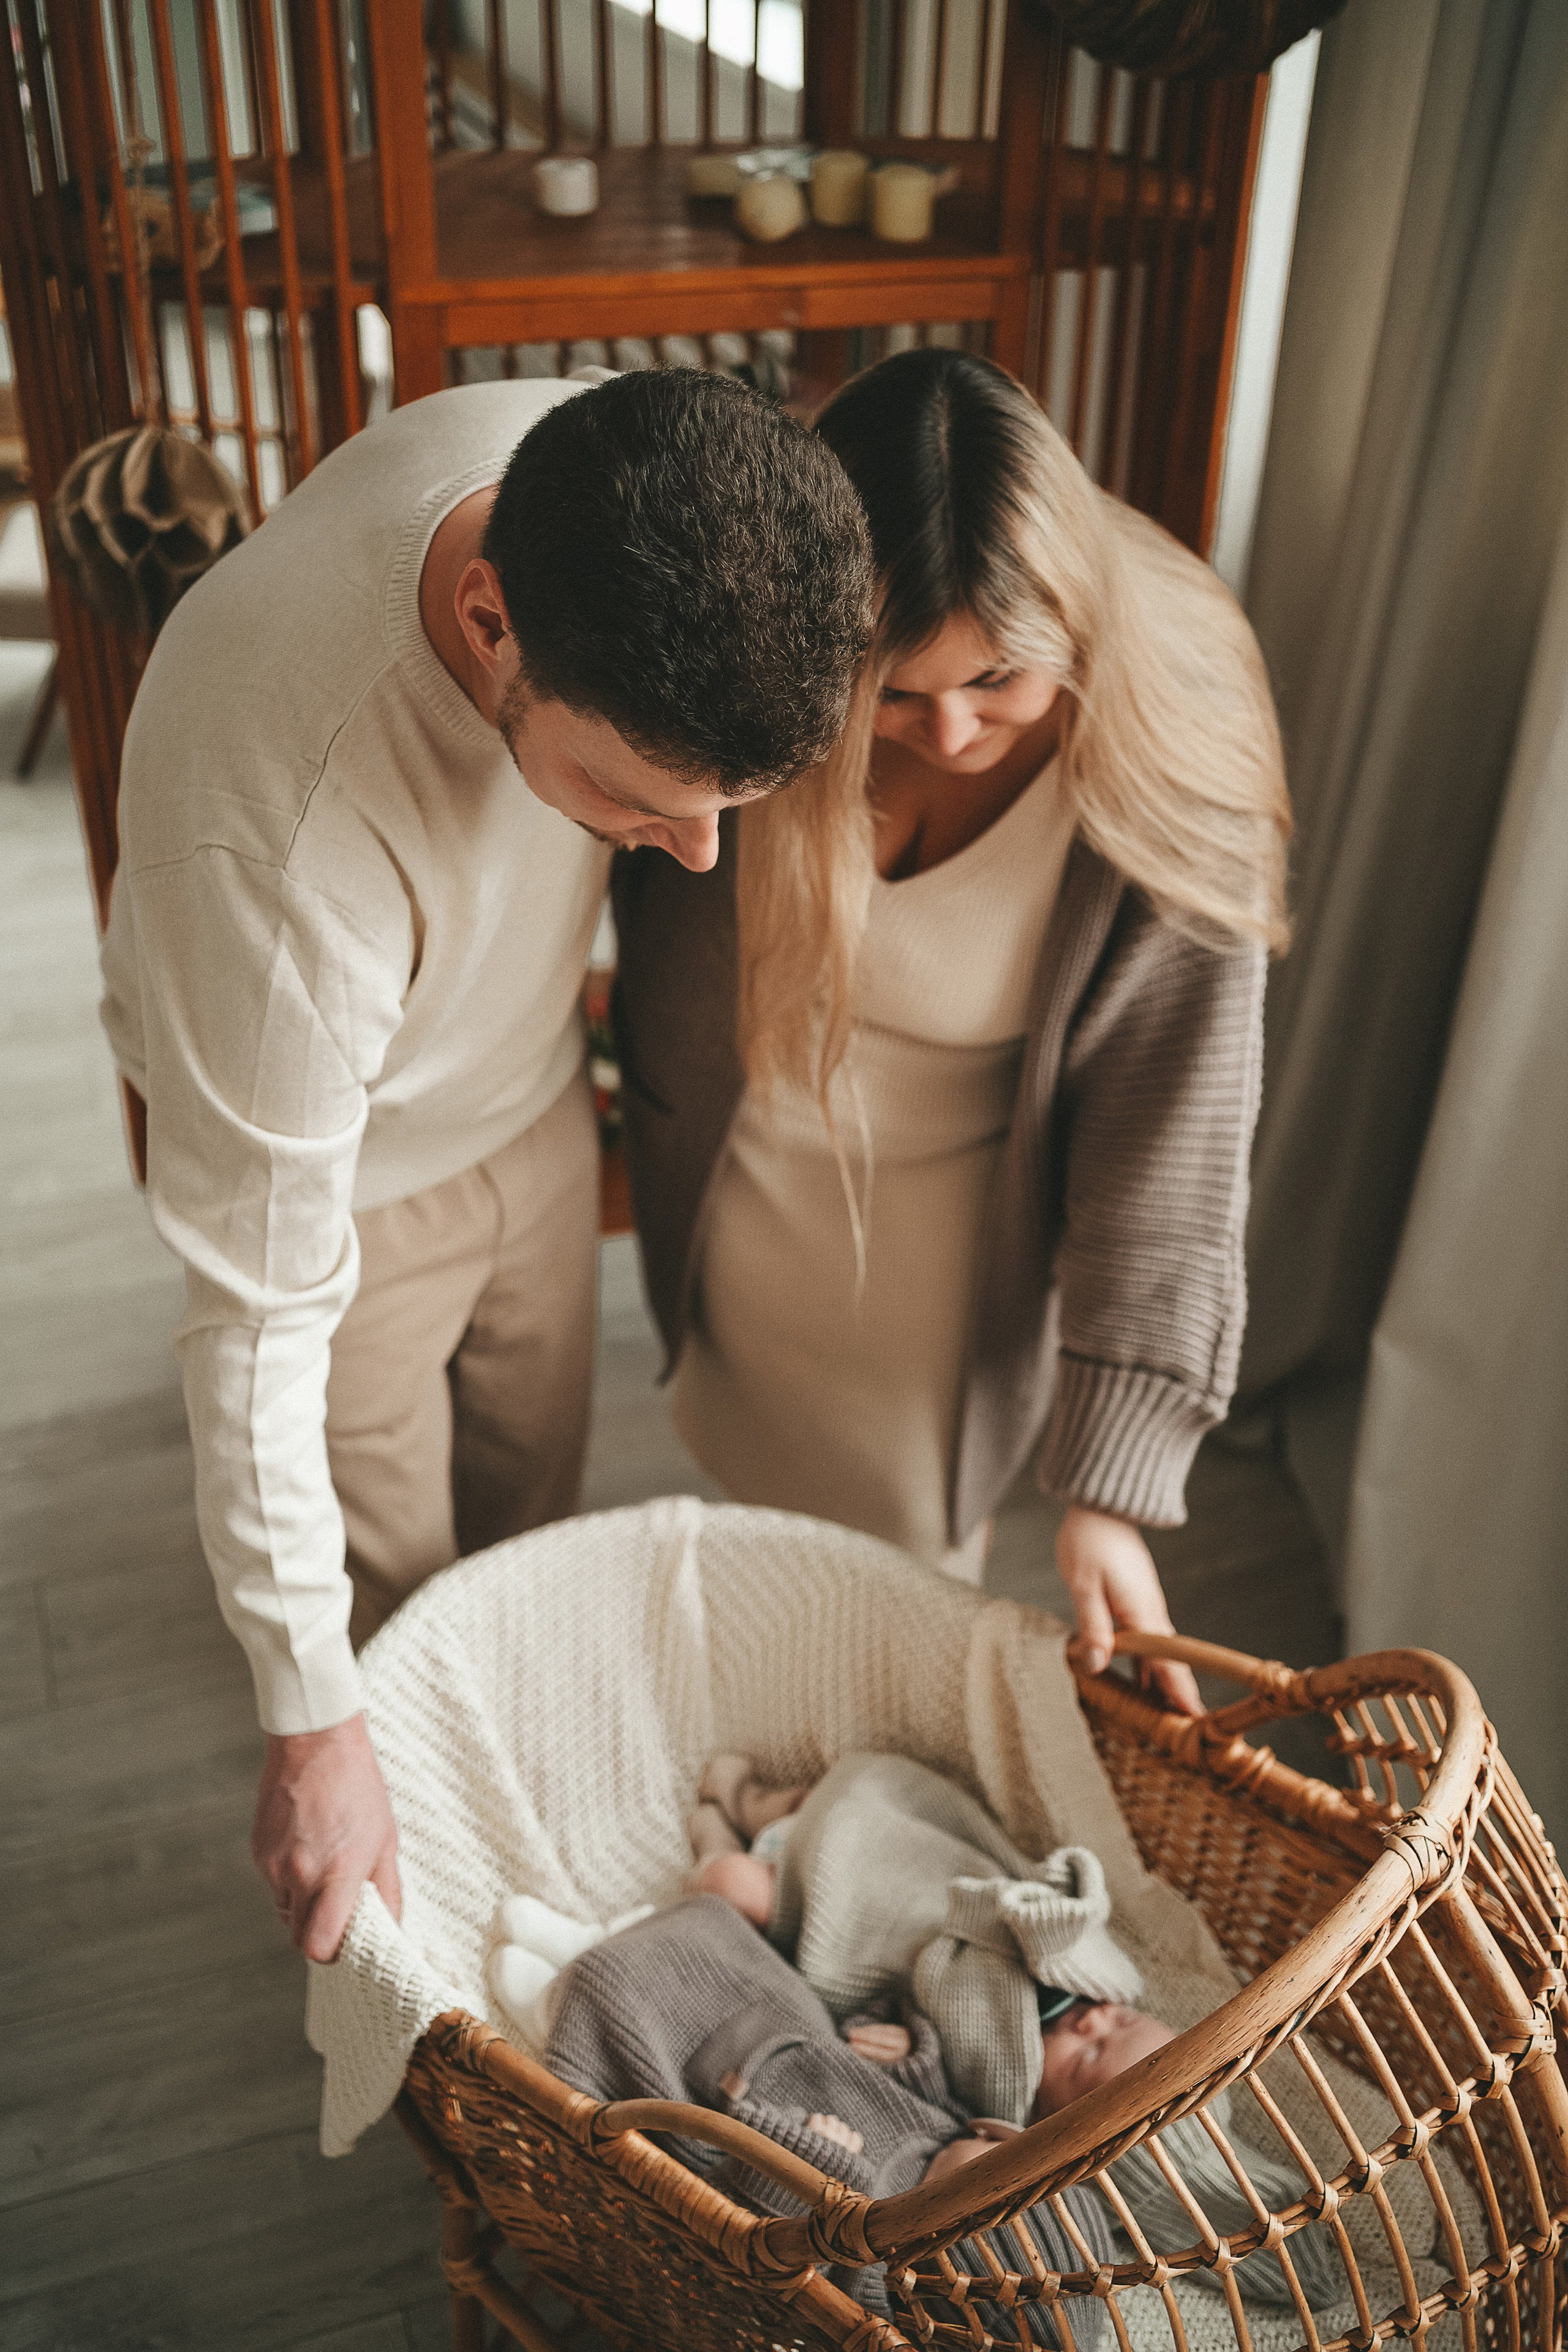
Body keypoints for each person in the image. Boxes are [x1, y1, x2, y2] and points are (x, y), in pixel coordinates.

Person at [99, 368, 873, 1964]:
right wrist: (308, 1729)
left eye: (723, 807)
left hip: (524, 1101)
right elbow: (253, 1315)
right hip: (341, 1172)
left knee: (527, 1518)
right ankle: (450, 1960)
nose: (697, 853)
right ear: (488, 614)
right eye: (640, 801)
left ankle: (540, 1829)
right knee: (391, 1612)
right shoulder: (278, 822)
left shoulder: (627, 469)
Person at [611, 349, 1291, 1714]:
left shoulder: (1178, 747)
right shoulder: (748, 641)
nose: (951, 731)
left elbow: (1167, 1158)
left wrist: (1109, 1488)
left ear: (1074, 632)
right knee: (750, 1517)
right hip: (739, 1185)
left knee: (901, 1595)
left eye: (998, 680)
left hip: (948, 1257)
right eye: (896, 689)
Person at [541, 1890, 1116, 2342]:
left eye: (1005, 2164)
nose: (1000, 2138)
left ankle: (562, 1989)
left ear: (961, 2236)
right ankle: (609, 1940)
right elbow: (909, 2075)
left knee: (621, 2016)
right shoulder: (947, 2131)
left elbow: (762, 2233)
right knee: (723, 1941)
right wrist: (912, 2054)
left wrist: (805, 2163)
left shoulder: (873, 2261)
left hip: (722, 2090)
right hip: (796, 2037)